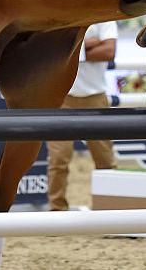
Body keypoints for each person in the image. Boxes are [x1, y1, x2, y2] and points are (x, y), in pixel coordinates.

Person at [47, 21, 119, 211]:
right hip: (61, 96)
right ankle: (56, 210)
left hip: (95, 97)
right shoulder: (64, 14)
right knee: (58, 159)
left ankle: (109, 209)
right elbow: (51, 51)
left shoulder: (106, 17)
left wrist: (72, 50)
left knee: (105, 160)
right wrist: (90, 44)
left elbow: (109, 52)